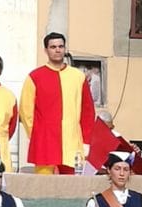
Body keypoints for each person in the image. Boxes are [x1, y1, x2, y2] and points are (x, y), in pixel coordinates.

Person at [19, 32, 95, 174]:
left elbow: (87, 112)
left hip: (72, 143)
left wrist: (86, 141)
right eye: (53, 47)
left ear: (65, 49)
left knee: (72, 189)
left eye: (61, 46)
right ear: (46, 50)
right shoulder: (34, 77)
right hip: (45, 143)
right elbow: (25, 111)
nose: (58, 50)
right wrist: (36, 135)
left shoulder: (78, 76)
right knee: (43, 188)